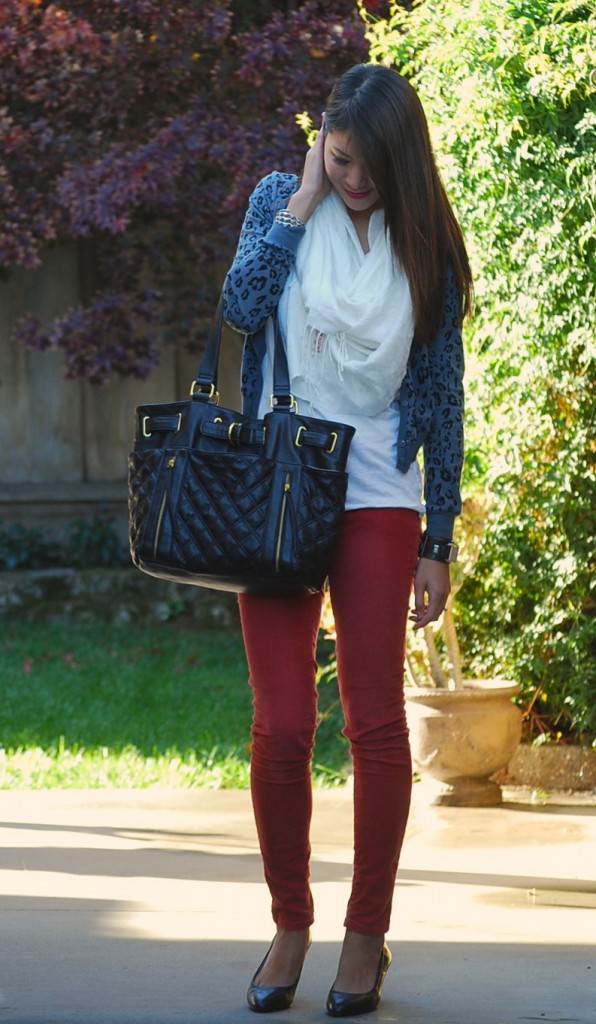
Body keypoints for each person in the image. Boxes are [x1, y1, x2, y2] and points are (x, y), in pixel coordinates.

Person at [222, 63, 472, 1017]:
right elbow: (242, 311)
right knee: (282, 723)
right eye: (341, 157)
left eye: (370, 164)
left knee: (375, 723)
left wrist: (437, 535)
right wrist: (302, 201)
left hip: (377, 491)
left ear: (401, 160)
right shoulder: (280, 202)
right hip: (279, 485)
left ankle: (366, 933)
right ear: (323, 143)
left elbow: (442, 396)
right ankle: (291, 923)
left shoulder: (426, 247)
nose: (353, 177)